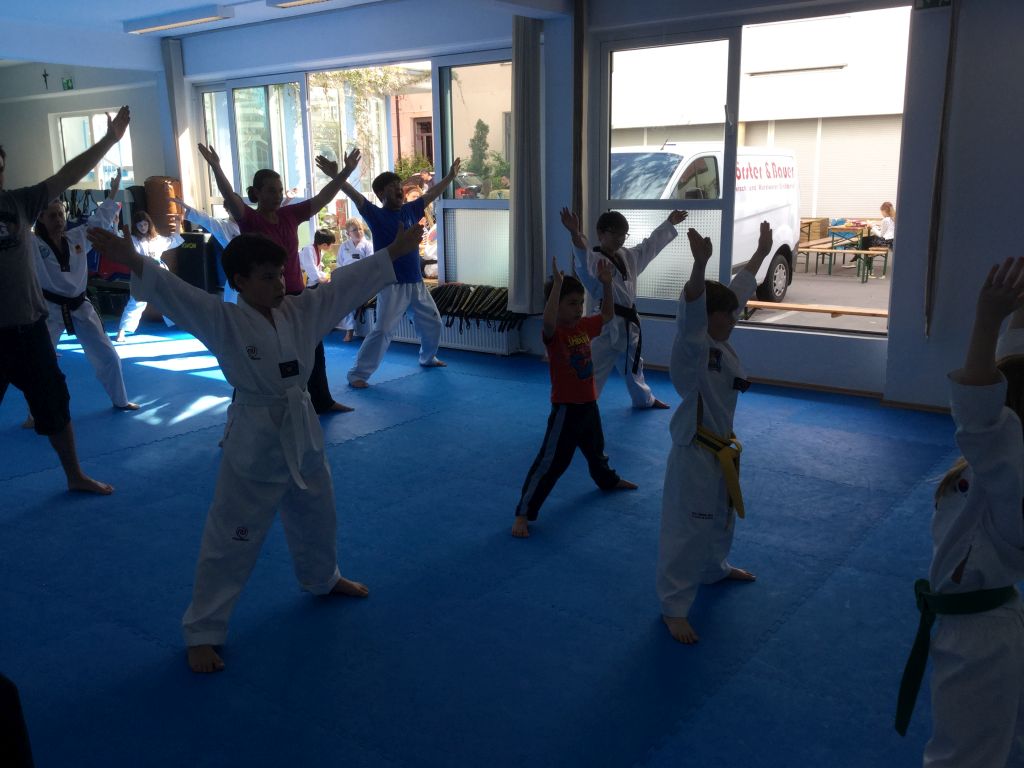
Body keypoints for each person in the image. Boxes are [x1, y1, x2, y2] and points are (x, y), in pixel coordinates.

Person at [86, 220, 424, 674]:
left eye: (280, 274)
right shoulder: (222, 319)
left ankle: (322, 578)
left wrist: (394, 252)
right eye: (267, 277)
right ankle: (202, 630)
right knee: (233, 534)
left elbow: (344, 286)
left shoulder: (300, 311)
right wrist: (132, 259)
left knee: (317, 510)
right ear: (239, 282)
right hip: (254, 434)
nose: (279, 284)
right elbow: (175, 292)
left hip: (301, 425)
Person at [893, 256, 1024, 765]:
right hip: (991, 624)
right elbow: (1008, 367)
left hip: (981, 638)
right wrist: (1016, 310)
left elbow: (978, 406)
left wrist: (986, 320)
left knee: (963, 757)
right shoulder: (1003, 461)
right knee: (997, 745)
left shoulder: (1009, 461)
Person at [0, 109, 128, 495]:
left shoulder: (19, 203)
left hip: (30, 327)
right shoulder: (33, 229)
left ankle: (75, 475)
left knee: (55, 404)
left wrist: (109, 141)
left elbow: (67, 176)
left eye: (0, 168)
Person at [657, 222, 773, 645]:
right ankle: (674, 606)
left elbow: (739, 290)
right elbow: (690, 312)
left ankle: (714, 570)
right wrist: (699, 266)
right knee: (689, 528)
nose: (735, 317)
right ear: (708, 317)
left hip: (721, 449)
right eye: (727, 314)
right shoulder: (692, 347)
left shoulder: (721, 338)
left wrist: (761, 253)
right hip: (694, 452)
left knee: (721, 519)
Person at [198, 143, 360, 414]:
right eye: (271, 190)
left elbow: (323, 198)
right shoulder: (249, 219)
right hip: (263, 299)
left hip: (294, 292)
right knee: (260, 351)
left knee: (313, 346)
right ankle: (243, 406)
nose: (277, 195)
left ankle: (322, 400)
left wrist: (345, 172)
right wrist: (216, 166)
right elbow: (229, 195)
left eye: (279, 190)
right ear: (257, 193)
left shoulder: (289, 215)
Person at [511, 255, 638, 538]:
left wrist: (607, 285)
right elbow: (547, 320)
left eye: (580, 303)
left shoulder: (584, 327)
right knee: (552, 462)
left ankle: (607, 481)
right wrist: (556, 286)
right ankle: (524, 512)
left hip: (589, 404)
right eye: (572, 303)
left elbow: (607, 315)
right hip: (566, 410)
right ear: (556, 306)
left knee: (596, 451)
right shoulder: (554, 332)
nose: (579, 308)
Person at [327, 150, 459, 388]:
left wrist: (450, 177)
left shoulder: (410, 210)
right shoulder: (375, 215)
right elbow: (354, 195)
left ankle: (427, 357)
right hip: (391, 284)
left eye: (399, 185)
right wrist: (338, 175)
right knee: (383, 330)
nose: (399, 189)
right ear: (381, 194)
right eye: (392, 187)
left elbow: (432, 194)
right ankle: (357, 375)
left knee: (433, 323)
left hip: (416, 282)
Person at [31, 169, 138, 414]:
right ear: (41, 219)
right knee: (40, 363)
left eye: (60, 214)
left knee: (109, 356)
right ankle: (34, 414)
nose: (58, 219)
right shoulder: (34, 246)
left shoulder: (77, 237)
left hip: (80, 306)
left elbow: (99, 221)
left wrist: (113, 192)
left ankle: (120, 400)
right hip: (50, 309)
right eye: (52, 216)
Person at [564, 207, 688, 410]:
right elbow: (582, 256)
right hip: (605, 324)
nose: (620, 239)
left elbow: (649, 246)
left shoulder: (627, 256)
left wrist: (669, 224)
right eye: (615, 234)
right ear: (601, 233)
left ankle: (644, 399)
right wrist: (574, 233)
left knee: (633, 366)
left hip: (629, 324)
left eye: (624, 234)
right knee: (593, 367)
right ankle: (581, 405)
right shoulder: (595, 259)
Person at [114, 211, 183, 342]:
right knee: (136, 302)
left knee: (168, 298)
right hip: (141, 272)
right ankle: (121, 331)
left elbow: (175, 240)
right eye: (140, 225)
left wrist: (178, 223)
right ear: (135, 226)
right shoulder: (133, 240)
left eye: (145, 224)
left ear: (149, 224)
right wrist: (115, 224)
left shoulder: (157, 239)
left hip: (159, 271)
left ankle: (179, 323)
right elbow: (118, 239)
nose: (143, 227)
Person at [171, 196, 241, 303]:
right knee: (233, 307)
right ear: (227, 210)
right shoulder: (222, 226)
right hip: (236, 276)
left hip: (252, 275)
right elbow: (206, 220)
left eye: (238, 206)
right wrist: (187, 208)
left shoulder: (248, 223)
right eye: (232, 207)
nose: (236, 209)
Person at [336, 219, 373, 342]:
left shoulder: (368, 245)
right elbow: (339, 264)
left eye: (360, 229)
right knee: (344, 300)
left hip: (363, 280)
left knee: (349, 299)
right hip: (347, 280)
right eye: (355, 230)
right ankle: (349, 329)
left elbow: (370, 264)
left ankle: (350, 330)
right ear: (348, 233)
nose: (359, 232)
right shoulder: (344, 246)